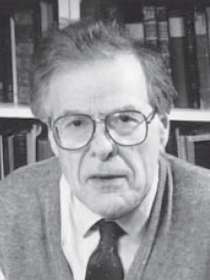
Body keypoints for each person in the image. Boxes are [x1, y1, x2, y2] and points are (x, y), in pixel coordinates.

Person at [0, 20, 210, 280]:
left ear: (163, 127)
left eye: (124, 120)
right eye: (76, 123)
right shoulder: (10, 206)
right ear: (53, 138)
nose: (102, 148)